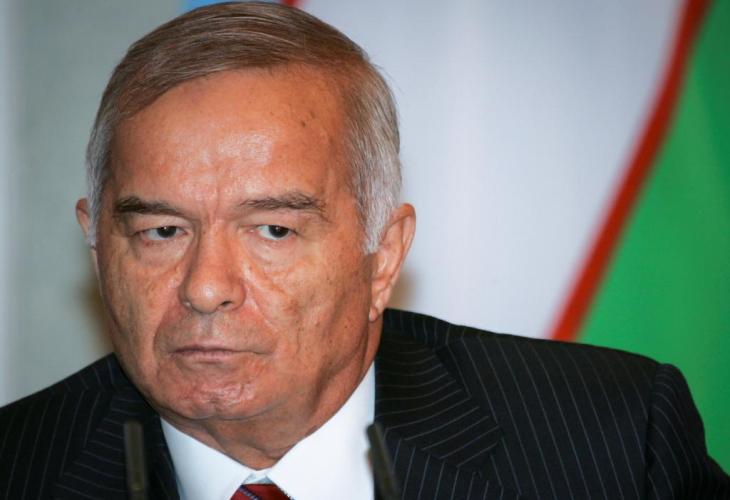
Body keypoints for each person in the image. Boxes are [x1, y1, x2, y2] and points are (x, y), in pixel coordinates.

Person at [0, 3, 727, 499]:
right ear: (96, 245)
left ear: (383, 256)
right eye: (162, 231)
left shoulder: (613, 439)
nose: (206, 287)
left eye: (273, 230)